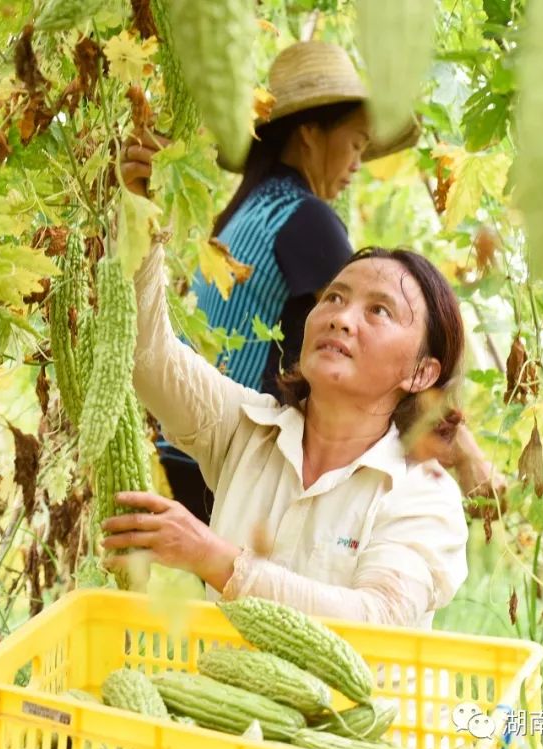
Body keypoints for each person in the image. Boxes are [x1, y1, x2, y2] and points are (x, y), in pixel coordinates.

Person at [99, 239, 496, 628]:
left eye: (379, 310)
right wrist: (143, 223)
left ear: (421, 373)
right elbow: (146, 355)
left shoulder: (422, 494)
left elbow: (377, 619)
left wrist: (213, 558)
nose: (341, 318)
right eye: (334, 297)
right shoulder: (244, 427)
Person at [121, 40, 420, 526]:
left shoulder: (246, 210)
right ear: (310, 133)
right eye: (356, 143)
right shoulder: (304, 217)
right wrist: (452, 446)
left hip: (188, 447)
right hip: (233, 458)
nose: (356, 163)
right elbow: (375, 351)